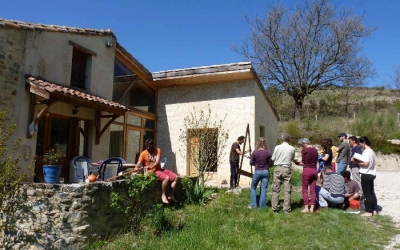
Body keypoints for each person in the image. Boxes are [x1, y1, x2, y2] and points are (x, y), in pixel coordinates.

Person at [136, 139, 179, 204]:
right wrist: (136, 168)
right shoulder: (143, 153)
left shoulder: (157, 150)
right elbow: (138, 163)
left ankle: (171, 194)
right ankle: (163, 195)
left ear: (153, 145)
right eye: (147, 146)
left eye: (149, 146)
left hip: (159, 169)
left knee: (176, 177)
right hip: (152, 171)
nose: (148, 147)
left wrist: (150, 166)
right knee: (166, 178)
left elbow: (157, 162)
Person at [350, 136, 378, 217]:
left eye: (360, 144)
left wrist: (356, 163)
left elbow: (366, 163)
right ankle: (374, 209)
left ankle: (369, 211)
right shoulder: (371, 151)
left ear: (364, 143)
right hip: (372, 173)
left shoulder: (367, 151)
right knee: (372, 193)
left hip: (366, 173)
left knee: (367, 194)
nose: (359, 146)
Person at [271, 133, 296, 213]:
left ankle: (275, 208)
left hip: (278, 168)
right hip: (286, 168)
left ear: (282, 139)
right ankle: (286, 209)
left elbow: (273, 158)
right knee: (287, 189)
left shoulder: (277, 147)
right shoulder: (292, 148)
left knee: (276, 188)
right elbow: (292, 158)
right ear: (289, 140)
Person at [249, 138, 272, 209]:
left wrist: (256, 164)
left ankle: (253, 205)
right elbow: (270, 163)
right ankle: (262, 206)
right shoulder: (268, 152)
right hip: (265, 171)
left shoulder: (255, 152)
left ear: (258, 143)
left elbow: (251, 162)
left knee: (253, 187)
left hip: (257, 171)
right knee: (263, 188)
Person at [296, 138, 318, 213]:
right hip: (314, 170)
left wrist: (297, 163)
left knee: (304, 189)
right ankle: (312, 208)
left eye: (302, 144)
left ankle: (306, 208)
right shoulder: (315, 150)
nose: (302, 146)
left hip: (307, 170)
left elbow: (303, 162)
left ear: (304, 143)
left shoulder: (304, 150)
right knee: (313, 190)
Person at [348, 136, 363, 208]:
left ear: (353, 141)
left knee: (356, 180)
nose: (349, 143)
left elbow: (360, 156)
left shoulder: (356, 148)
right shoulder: (354, 148)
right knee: (355, 179)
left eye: (350, 141)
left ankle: (359, 193)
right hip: (353, 166)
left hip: (355, 166)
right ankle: (357, 192)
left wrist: (354, 160)